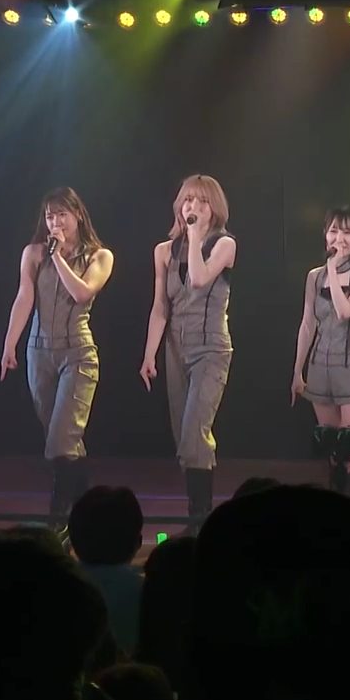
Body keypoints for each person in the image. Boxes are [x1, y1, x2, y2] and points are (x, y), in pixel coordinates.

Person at [1, 187, 114, 529]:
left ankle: (58, 519)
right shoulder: (33, 253)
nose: (55, 222)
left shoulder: (99, 256)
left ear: (78, 214)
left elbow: (82, 292)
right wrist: (10, 344)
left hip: (78, 353)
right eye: (50, 216)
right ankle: (87, 510)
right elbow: (24, 297)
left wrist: (59, 257)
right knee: (63, 439)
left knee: (61, 440)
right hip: (38, 351)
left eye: (62, 214)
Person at [140, 175, 236, 532]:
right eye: (187, 200)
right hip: (175, 348)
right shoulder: (164, 251)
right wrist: (150, 354)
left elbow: (198, 279)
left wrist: (195, 238)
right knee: (184, 438)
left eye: (201, 201)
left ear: (215, 208)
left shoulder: (224, 245)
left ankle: (201, 523)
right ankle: (198, 516)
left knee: (196, 433)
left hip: (211, 347)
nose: (192, 207)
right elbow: (160, 307)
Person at [291, 207, 350, 498]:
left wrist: (333, 266)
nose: (339, 238)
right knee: (332, 449)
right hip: (319, 366)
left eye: (346, 232)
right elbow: (307, 324)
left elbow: (344, 310)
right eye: (333, 231)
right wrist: (298, 372)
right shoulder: (314, 277)